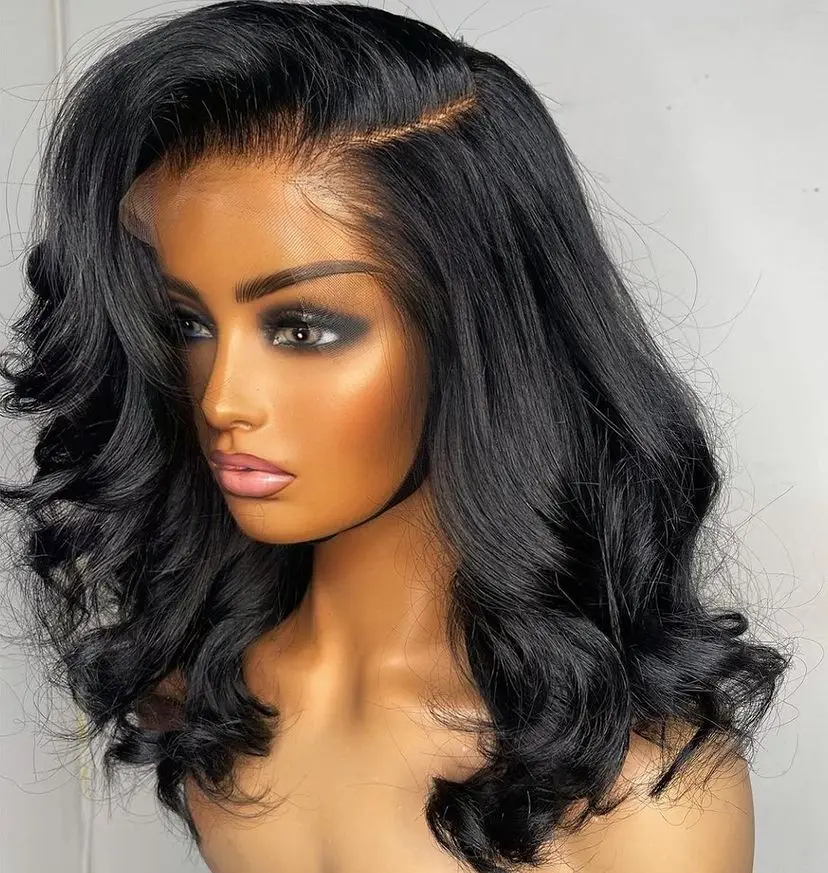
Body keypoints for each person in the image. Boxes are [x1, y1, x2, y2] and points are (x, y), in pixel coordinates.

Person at [0, 2, 791, 871]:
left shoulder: (638, 786)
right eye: (189, 323)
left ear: (474, 335)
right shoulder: (201, 688)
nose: (223, 397)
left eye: (302, 329)